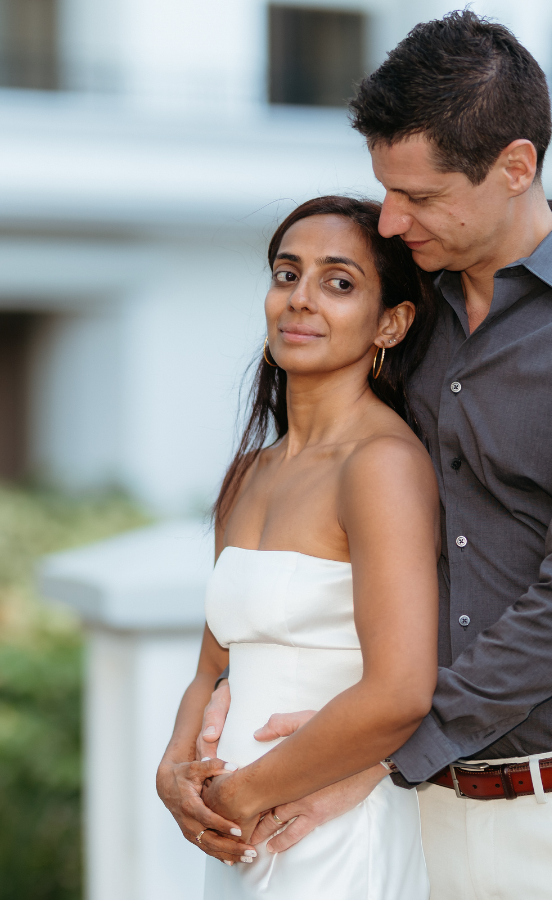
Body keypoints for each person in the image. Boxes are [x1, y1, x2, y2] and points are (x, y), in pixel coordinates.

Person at [159, 11, 552, 900]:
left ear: (516, 167)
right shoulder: (416, 320)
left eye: (419, 195)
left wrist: (374, 756)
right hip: (418, 818)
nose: (392, 216)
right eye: (386, 189)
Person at [156, 194, 441, 898]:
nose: (301, 300)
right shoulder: (251, 473)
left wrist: (249, 792)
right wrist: (173, 774)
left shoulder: (381, 465)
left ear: (391, 323)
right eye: (287, 275)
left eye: (338, 283)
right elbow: (211, 668)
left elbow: (399, 692)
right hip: (238, 832)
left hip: (330, 830)